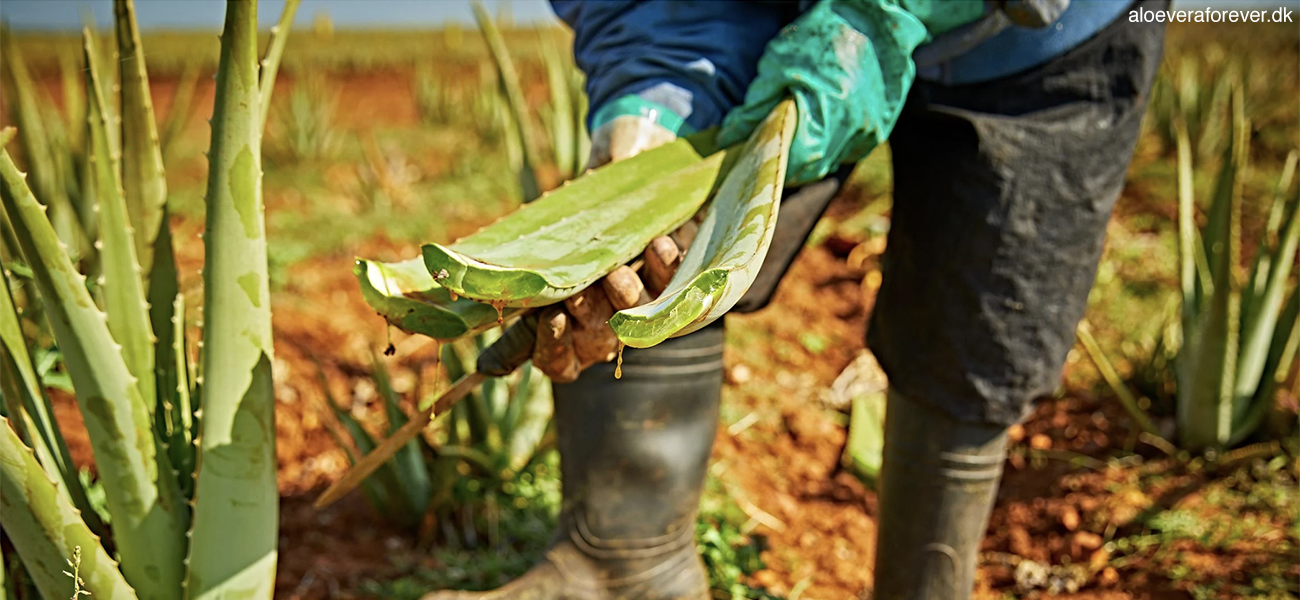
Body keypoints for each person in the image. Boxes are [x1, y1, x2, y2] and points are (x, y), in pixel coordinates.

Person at [423, 1, 1167, 598]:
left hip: (1046, 46)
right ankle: (624, 566)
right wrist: (657, 107)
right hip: (784, 24)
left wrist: (881, 12)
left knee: (983, 313)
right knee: (672, 243)